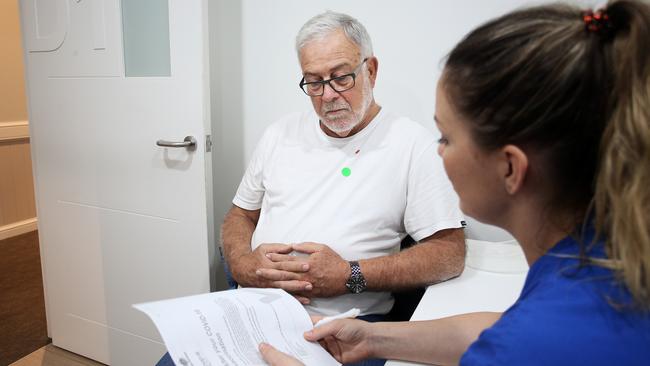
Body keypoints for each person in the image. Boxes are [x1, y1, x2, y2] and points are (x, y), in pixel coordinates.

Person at [258, 0, 650, 365]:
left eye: (446, 137)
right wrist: (375, 339)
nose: (439, 152)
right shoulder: (593, 262)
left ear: (510, 168)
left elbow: (513, 338)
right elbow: (495, 326)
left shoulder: (524, 347)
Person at [222, 11, 465, 321]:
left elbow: (449, 254)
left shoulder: (413, 145)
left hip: (345, 327)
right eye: (314, 82)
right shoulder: (278, 135)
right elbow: (240, 214)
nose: (328, 96)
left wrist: (349, 275)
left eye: (340, 77)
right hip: (251, 312)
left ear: (371, 71)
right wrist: (241, 264)